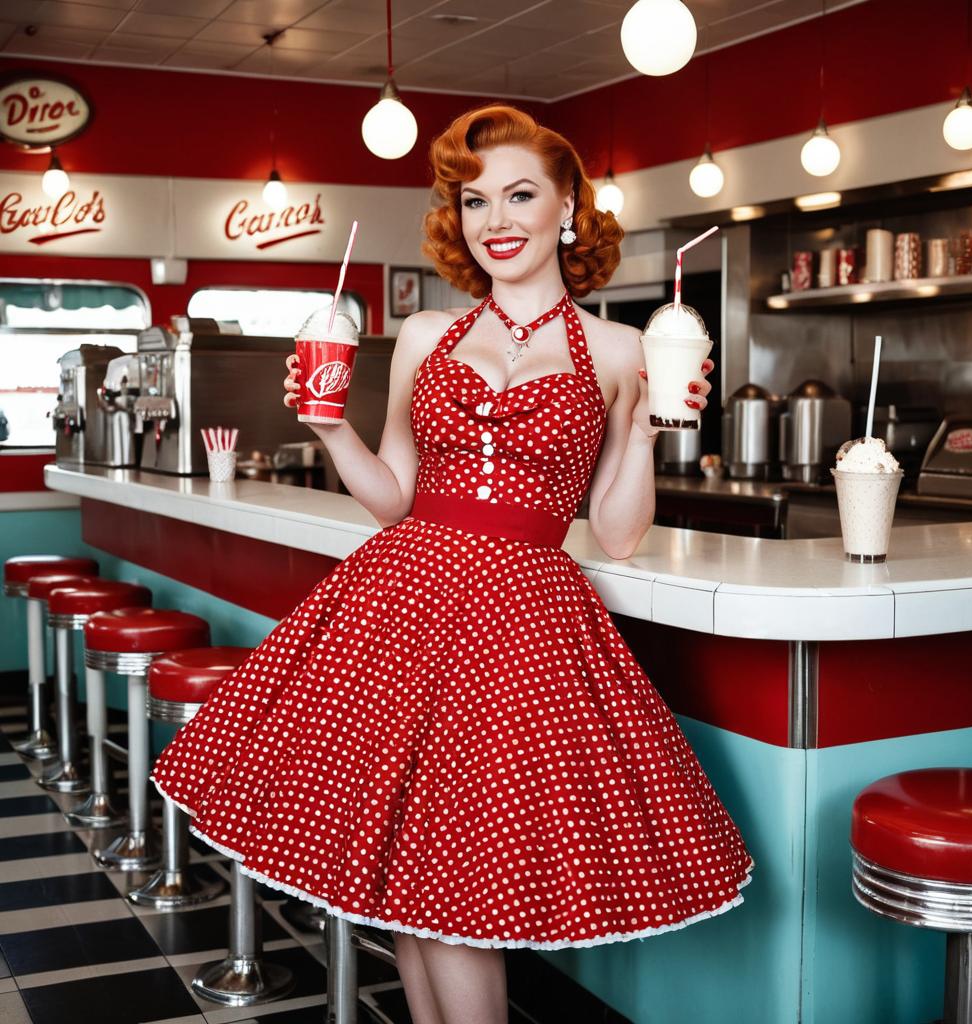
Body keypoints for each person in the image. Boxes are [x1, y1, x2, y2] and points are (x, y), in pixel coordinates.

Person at [151, 104, 753, 1024]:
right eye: (476, 202)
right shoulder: (428, 336)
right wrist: (326, 426)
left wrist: (652, 428)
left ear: (568, 207)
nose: (497, 220)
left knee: (461, 891)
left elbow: (619, 531)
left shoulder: (627, 351)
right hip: (399, 604)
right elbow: (393, 493)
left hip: (520, 629)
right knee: (410, 888)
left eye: (520, 195)